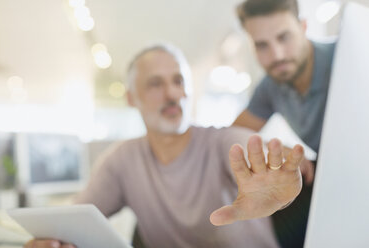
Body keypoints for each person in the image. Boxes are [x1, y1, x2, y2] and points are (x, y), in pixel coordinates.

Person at [24, 44, 304, 248]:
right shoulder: (122, 161)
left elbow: (256, 154)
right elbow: (73, 221)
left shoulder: (222, 141)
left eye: (178, 81)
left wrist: (275, 172)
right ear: (132, 98)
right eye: (156, 84)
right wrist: (50, 239)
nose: (172, 94)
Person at [234, 0, 335, 247]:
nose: (276, 55)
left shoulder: (346, 56)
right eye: (262, 46)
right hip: (326, 179)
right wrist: (274, 151)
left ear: (303, 27)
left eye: (284, 37)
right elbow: (233, 134)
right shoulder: (270, 86)